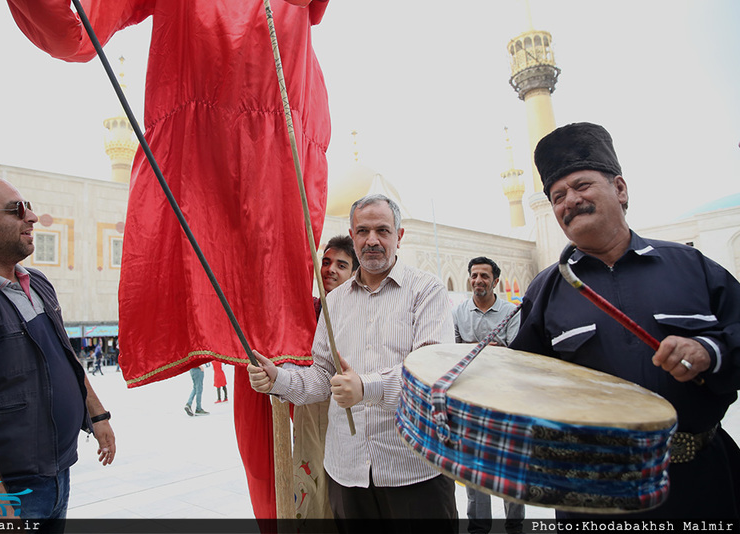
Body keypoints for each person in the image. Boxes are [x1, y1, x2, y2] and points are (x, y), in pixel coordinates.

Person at [5, 1, 331, 517]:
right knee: (261, 360)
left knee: (284, 353)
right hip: (205, 169)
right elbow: (74, 30)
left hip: (281, 160)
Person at [511, 122, 740, 518]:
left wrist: (709, 351)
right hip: (593, 493)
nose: (570, 201)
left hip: (700, 482)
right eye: (557, 196)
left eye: (581, 186)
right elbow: (521, 384)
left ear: (619, 188)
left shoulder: (692, 266)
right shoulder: (545, 290)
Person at [248, 194, 458, 529]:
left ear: (399, 236)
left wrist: (366, 387)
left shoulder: (426, 290)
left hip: (414, 469)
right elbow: (322, 376)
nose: (372, 240)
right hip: (347, 472)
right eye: (363, 231)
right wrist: (279, 380)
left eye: (382, 230)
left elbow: (431, 373)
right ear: (352, 234)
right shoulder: (335, 302)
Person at [0, 172, 116, 527]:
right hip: (5, 493)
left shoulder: (36, 282)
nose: (31, 217)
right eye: (16, 210)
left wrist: (97, 415)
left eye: (29, 207)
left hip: (54, 477)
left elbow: (64, 355)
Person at [451, 257, 523, 533]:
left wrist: (472, 348)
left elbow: (515, 353)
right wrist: (491, 347)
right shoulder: (458, 313)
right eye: (474, 275)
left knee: (511, 466)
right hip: (470, 399)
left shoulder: (511, 312)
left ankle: (515, 524)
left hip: (506, 398)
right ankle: (479, 526)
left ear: (496, 281)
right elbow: (451, 353)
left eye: (484, 276)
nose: (478, 280)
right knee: (474, 465)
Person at [293, 235, 359, 522]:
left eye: (341, 265)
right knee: (310, 488)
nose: (331, 269)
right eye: (327, 262)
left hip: (350, 412)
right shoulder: (306, 310)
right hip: (311, 411)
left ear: (354, 274)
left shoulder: (361, 313)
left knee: (344, 496)